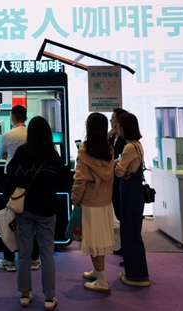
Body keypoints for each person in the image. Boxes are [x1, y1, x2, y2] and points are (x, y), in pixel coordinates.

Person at [7, 116, 68, 311]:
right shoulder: (53, 155)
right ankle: (49, 297)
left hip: (24, 208)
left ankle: (25, 295)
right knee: (47, 254)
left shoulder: (22, 152)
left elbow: (10, 172)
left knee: (25, 252)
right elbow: (62, 181)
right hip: (47, 210)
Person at [71, 112, 115, 293]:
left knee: (93, 240)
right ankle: (97, 271)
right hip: (104, 202)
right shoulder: (109, 149)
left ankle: (102, 281)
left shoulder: (85, 149)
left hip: (90, 201)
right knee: (99, 238)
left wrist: (75, 198)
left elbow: (80, 179)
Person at [0, 105, 40, 273]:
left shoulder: (7, 135)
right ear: (26, 117)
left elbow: (2, 154)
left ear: (12, 117)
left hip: (11, 180)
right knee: (32, 218)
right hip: (32, 180)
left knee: (10, 218)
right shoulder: (33, 134)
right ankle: (34, 259)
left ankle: (9, 260)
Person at [114, 112, 150, 287]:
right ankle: (134, 272)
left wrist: (121, 169)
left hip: (130, 194)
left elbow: (119, 172)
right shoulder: (137, 145)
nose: (117, 128)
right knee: (132, 232)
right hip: (135, 193)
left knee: (130, 234)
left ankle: (137, 276)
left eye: (118, 125)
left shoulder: (129, 148)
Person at [109, 107, 127, 256]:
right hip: (113, 180)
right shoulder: (112, 136)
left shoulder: (126, 140)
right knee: (118, 210)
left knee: (123, 214)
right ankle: (123, 245)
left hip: (122, 180)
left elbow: (122, 160)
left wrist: (109, 164)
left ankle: (127, 248)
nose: (111, 120)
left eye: (113, 118)